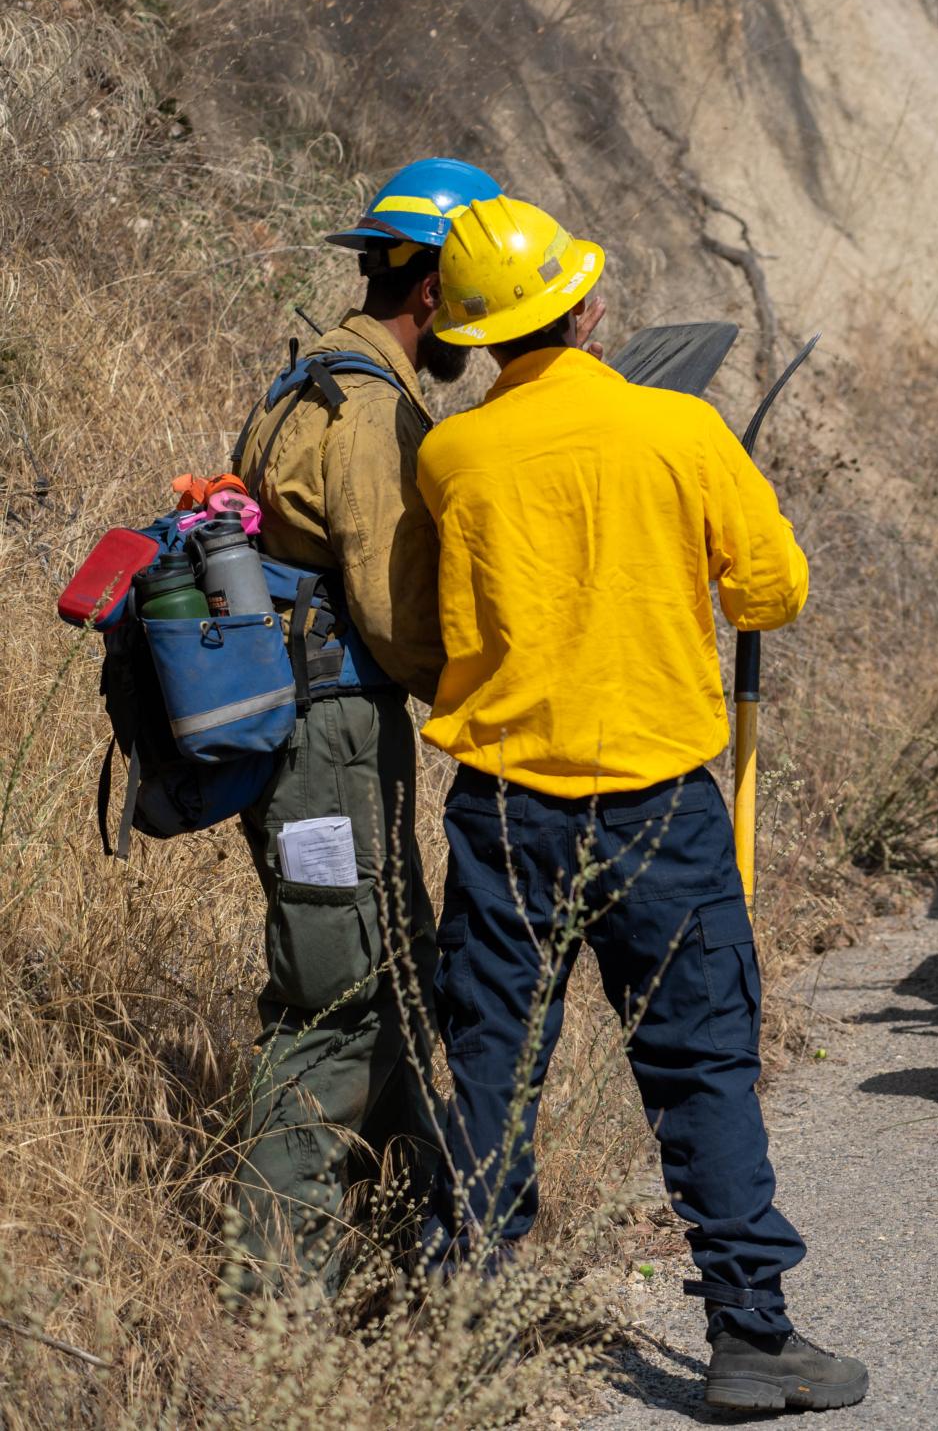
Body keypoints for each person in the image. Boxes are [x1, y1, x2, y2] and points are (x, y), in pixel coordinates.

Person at [416, 196, 867, 1414]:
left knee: (493, 1062)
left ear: (475, 335)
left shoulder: (449, 456)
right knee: (703, 1069)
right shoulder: (679, 426)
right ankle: (748, 1337)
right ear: (589, 305)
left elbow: (426, 632)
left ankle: (472, 1319)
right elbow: (772, 591)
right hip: (662, 812)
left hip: (503, 809)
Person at [222, 157, 497, 1292]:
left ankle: (414, 1233)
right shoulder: (374, 410)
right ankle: (277, 1297)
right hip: (330, 739)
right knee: (336, 990)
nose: (477, 336)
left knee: (383, 967)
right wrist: (487, 700)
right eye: (473, 305)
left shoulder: (301, 380)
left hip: (291, 734)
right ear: (431, 292)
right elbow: (391, 617)